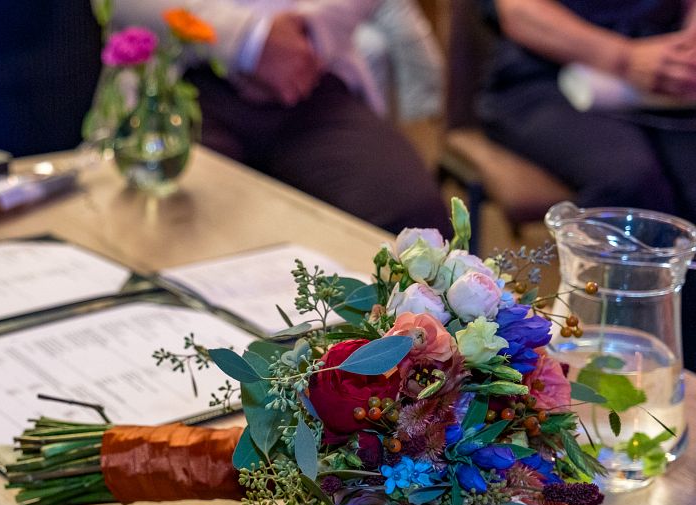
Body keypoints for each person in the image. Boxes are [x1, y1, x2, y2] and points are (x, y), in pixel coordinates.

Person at [477, 0, 696, 369]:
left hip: (666, 77)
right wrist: (625, 58)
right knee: (630, 184)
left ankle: (680, 362)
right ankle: (616, 368)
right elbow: (518, 10)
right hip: (549, 77)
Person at [112, 0, 449, 236]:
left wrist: (303, 40)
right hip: (181, 84)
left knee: (415, 220)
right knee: (169, 224)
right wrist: (249, 42)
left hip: (313, 72)